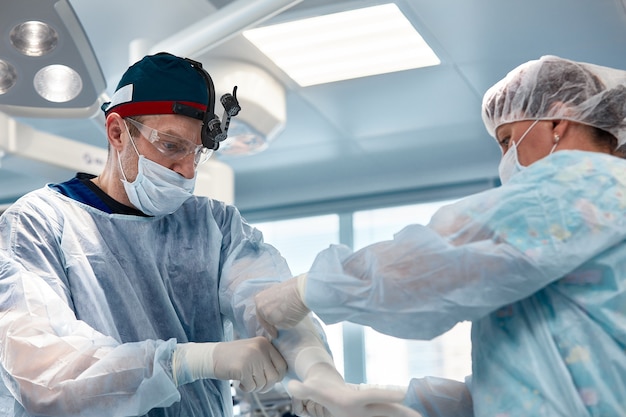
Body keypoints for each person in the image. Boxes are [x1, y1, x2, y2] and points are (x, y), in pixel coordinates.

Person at [0, 52, 422, 417]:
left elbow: (270, 302)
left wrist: (319, 373)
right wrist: (191, 361)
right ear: (116, 132)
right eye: (171, 146)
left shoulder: (214, 226)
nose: (188, 169)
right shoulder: (38, 225)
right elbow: (44, 372)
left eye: (197, 152)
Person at [255, 54, 626, 417]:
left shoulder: (584, 186)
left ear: (558, 121)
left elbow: (440, 262)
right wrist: (395, 400)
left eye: (507, 138)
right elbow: (529, 379)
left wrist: (311, 287)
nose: (506, 158)